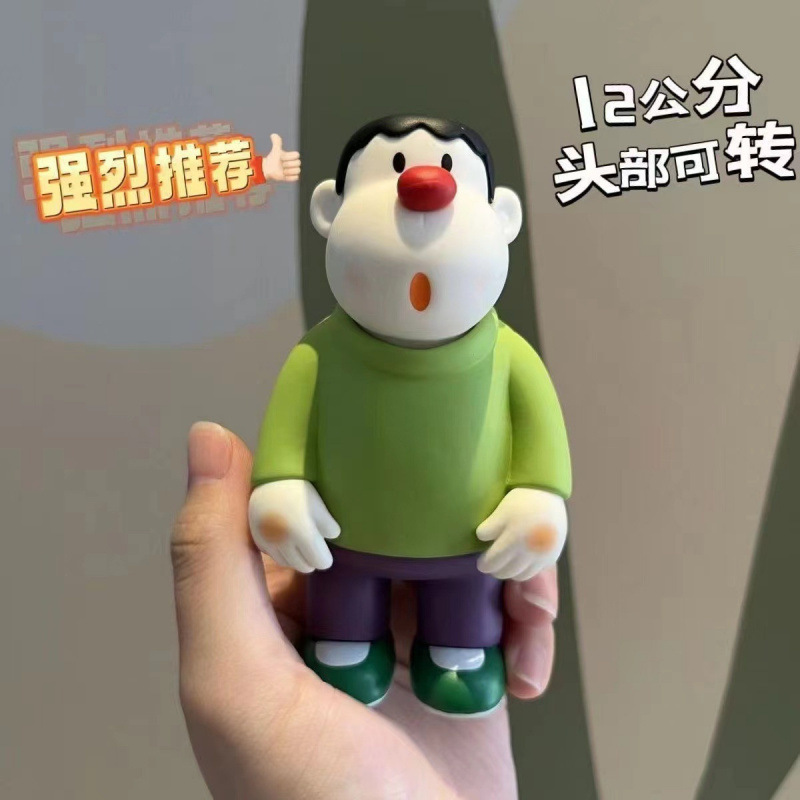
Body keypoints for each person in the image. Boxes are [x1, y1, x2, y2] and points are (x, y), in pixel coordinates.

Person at [171, 421, 561, 799]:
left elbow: (537, 425)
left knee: (465, 607)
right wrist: (283, 485)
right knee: (340, 601)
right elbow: (292, 423)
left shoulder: (501, 372)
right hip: (346, 539)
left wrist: (539, 496)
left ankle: (458, 654)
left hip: (465, 545)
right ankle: (350, 653)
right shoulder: (320, 371)